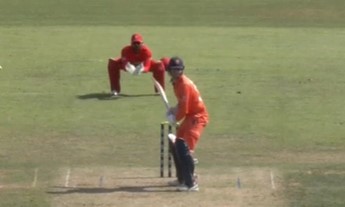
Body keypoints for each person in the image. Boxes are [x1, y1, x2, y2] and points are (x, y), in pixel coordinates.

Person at [165, 56, 209, 192]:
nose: (177, 71)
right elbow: (183, 102)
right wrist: (174, 109)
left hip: (197, 117)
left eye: (179, 69)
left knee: (184, 148)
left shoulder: (184, 83)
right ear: (170, 71)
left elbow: (185, 108)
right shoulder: (176, 83)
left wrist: (175, 118)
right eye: (174, 69)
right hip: (191, 116)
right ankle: (182, 179)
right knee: (177, 144)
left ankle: (191, 183)